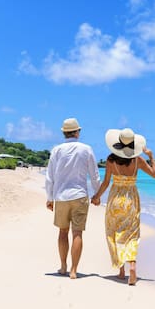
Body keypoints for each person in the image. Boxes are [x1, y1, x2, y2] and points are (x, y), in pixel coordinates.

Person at [91, 128, 155, 285]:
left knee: (113, 232)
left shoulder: (110, 160)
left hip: (115, 199)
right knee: (131, 234)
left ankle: (121, 271)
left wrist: (96, 197)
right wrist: (151, 156)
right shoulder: (138, 160)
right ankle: (132, 265)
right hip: (131, 199)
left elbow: (106, 182)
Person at [45, 118, 101, 279]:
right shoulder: (86, 149)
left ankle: (63, 267)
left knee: (63, 232)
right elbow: (94, 175)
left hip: (61, 196)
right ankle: (74, 270)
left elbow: (50, 176)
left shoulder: (56, 150)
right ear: (77, 132)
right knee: (77, 233)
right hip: (80, 196)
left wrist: (49, 198)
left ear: (64, 133)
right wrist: (97, 195)